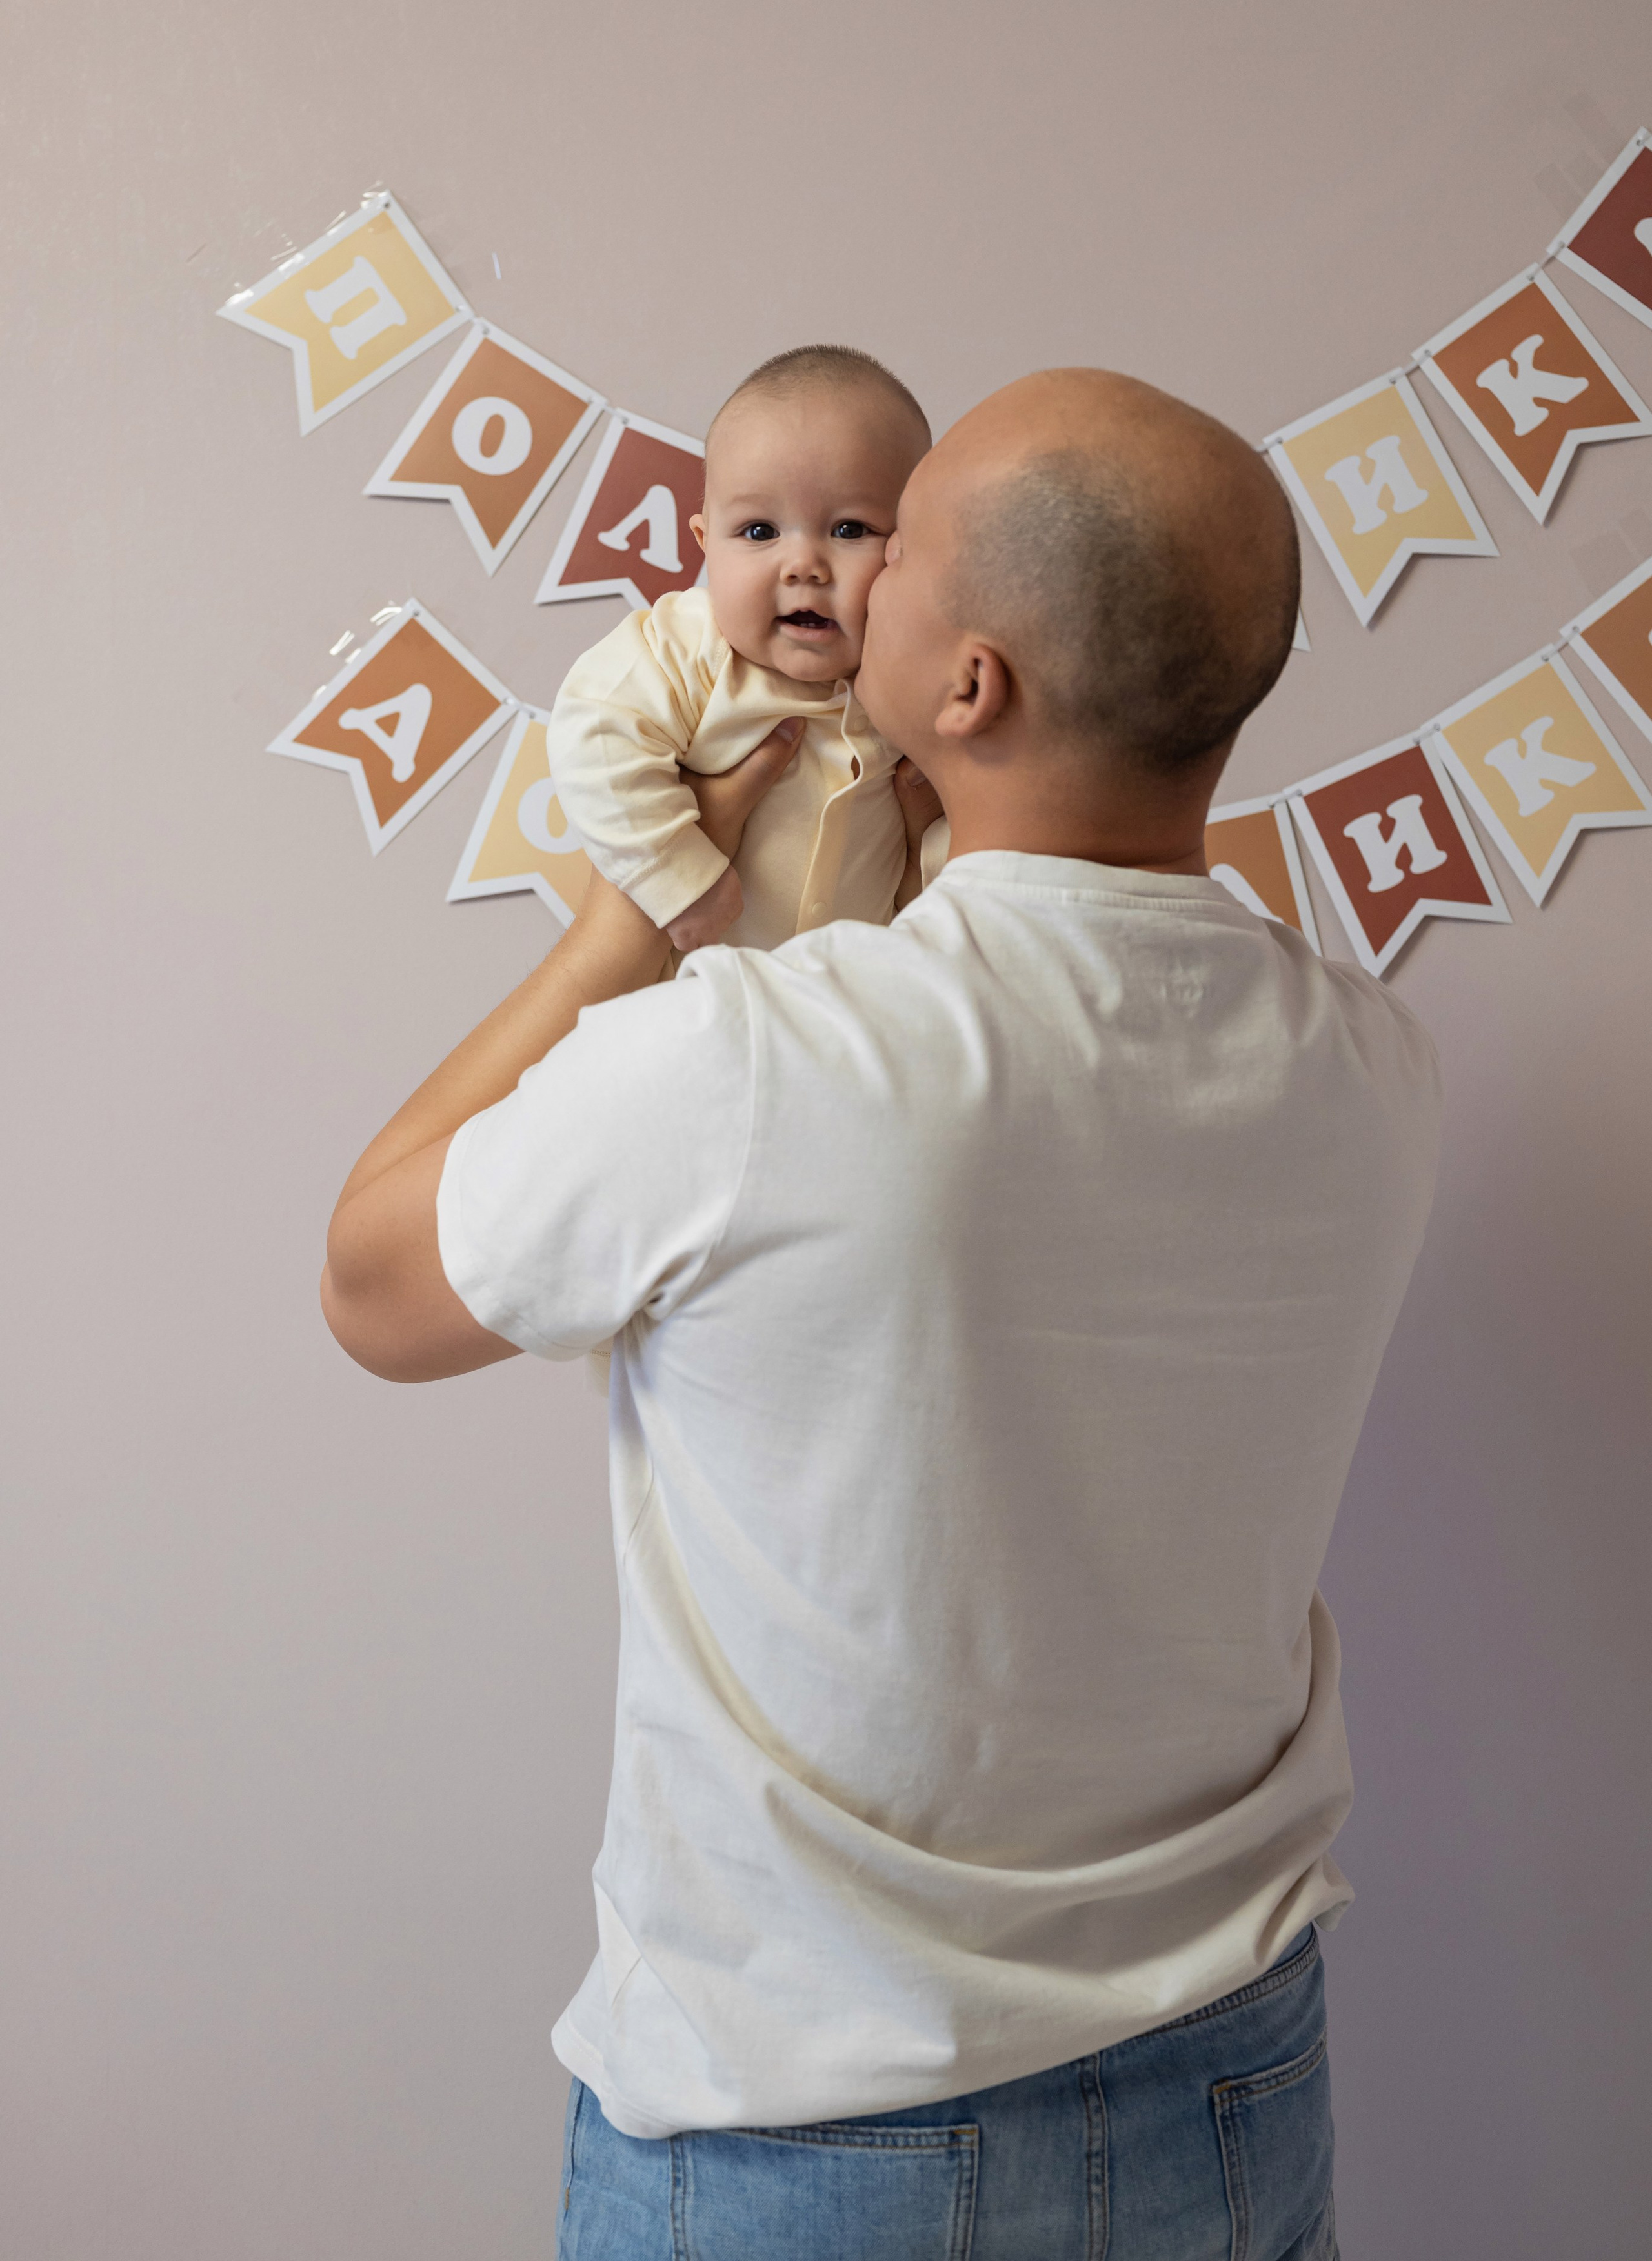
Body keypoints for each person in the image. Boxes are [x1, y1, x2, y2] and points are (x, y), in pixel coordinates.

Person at [321, 368, 1442, 2260]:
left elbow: (373, 1287)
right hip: (1235, 2084)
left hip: (812, 2125)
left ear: (969, 686)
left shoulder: (756, 1062)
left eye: (889, 541)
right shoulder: (1373, 1064)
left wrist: (638, 914)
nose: (834, 574)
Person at [549, 344, 940, 956]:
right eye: (760, 532)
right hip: (694, 999)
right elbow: (596, 735)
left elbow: (960, 814)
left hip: (843, 1011)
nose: (804, 566)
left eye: (850, 529)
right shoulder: (686, 650)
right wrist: (678, 877)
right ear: (706, 544)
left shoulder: (917, 678)